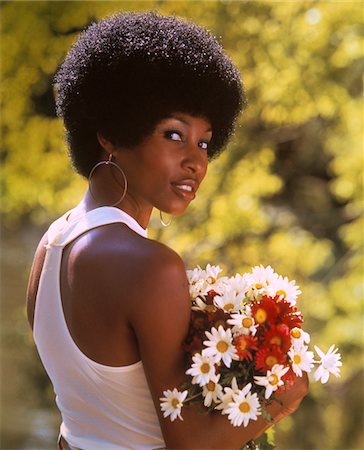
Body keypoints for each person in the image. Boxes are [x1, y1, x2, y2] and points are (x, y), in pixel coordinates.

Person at [26, 11, 308, 450]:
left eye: (204, 141)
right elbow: (191, 444)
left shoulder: (52, 245)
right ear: (111, 132)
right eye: (174, 135)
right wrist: (284, 396)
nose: (196, 161)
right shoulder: (150, 267)